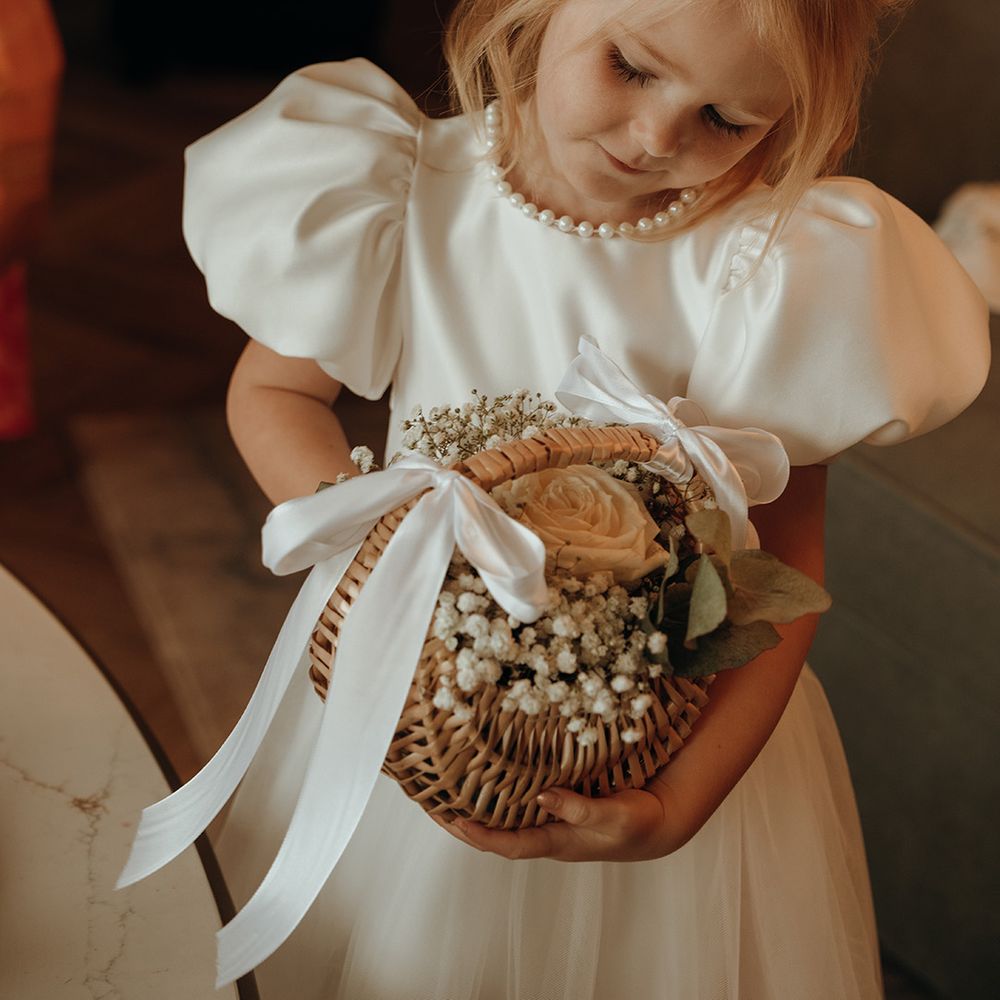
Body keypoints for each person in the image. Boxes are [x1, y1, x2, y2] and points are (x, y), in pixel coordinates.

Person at [176, 0, 990, 996]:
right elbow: (274, 391)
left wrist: (678, 807)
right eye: (632, 68)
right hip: (421, 695)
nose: (657, 139)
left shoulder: (769, 271)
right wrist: (399, 542)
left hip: (662, 744)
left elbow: (785, 572)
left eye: (726, 121)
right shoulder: (404, 192)